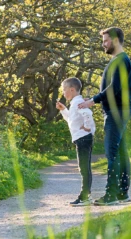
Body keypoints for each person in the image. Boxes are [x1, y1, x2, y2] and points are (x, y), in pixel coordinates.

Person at [78, 27, 131, 206]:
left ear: (115, 40)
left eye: (106, 41)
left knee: (112, 153)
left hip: (116, 112)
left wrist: (93, 100)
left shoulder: (121, 60)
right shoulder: (119, 60)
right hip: (119, 110)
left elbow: (114, 88)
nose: (103, 45)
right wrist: (93, 98)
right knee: (121, 152)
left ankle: (110, 195)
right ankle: (122, 193)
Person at [56, 77, 96, 206]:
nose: (63, 93)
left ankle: (85, 196)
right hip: (81, 138)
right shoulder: (74, 103)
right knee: (83, 168)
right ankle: (86, 195)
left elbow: (88, 114)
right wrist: (63, 110)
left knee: (84, 168)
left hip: (83, 138)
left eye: (64, 90)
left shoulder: (78, 103)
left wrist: (88, 127)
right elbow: (72, 121)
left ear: (72, 90)